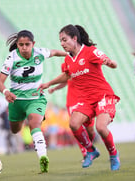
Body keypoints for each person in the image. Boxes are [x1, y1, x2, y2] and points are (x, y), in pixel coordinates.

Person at [38, 24, 120, 171]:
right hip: (86, 100)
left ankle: (113, 154)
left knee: (100, 127)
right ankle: (91, 150)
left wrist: (111, 63)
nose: (62, 44)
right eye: (60, 41)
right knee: (74, 124)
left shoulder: (90, 52)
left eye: (64, 40)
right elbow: (67, 75)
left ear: (75, 38)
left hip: (103, 96)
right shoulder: (68, 59)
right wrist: (49, 83)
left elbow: (110, 62)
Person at [0, 30, 67, 173]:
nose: (24, 47)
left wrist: (70, 54)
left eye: (27, 44)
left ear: (33, 44)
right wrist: (6, 92)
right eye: (21, 45)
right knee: (15, 130)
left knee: (35, 124)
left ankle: (43, 158)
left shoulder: (40, 53)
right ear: (17, 45)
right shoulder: (11, 58)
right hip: (16, 101)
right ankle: (21, 122)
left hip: (35, 99)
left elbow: (54, 52)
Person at [48, 63, 96, 160]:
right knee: (76, 128)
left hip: (86, 101)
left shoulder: (85, 62)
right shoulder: (65, 65)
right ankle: (85, 154)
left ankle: (90, 149)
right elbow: (65, 81)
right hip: (72, 102)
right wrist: (55, 88)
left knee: (90, 130)